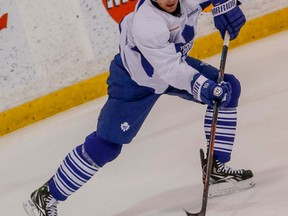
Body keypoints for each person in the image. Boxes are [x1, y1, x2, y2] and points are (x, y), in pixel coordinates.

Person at [23, 0, 255, 215]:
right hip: (135, 81)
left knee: (228, 88)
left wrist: (225, 3)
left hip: (171, 66)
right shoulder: (147, 23)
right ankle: (45, 197)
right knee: (106, 146)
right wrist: (204, 87)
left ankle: (216, 167)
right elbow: (171, 71)